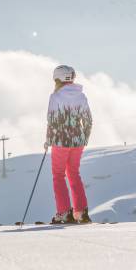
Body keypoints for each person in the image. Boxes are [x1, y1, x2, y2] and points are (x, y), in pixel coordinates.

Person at [44, 65, 93, 224]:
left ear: (58, 79)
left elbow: (51, 120)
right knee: (74, 173)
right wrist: (84, 138)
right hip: (77, 140)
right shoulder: (81, 96)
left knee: (58, 175)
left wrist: (48, 140)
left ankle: (64, 212)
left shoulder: (55, 96)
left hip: (60, 140)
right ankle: (81, 212)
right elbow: (88, 120)